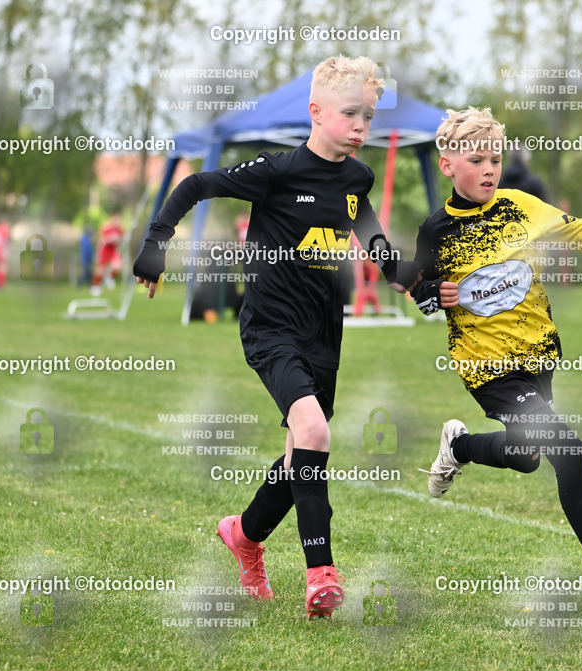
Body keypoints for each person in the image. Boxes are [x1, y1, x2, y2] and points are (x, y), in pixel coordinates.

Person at [131, 55, 419, 619]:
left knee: (300, 455)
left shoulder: (358, 178)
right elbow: (194, 184)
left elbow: (370, 237)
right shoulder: (278, 171)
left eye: (369, 116)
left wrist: (402, 273)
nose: (362, 126)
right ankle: (322, 576)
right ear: (315, 113)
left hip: (324, 333)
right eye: (351, 114)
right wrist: (155, 244)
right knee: (313, 429)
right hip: (270, 326)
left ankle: (243, 535)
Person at [411, 107, 582, 617]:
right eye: (477, 159)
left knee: (526, 455)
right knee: (567, 452)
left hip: (537, 356)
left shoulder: (521, 207)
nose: (490, 168)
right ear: (447, 164)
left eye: (496, 158)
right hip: (486, 366)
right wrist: (430, 293)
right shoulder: (436, 231)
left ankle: (460, 445)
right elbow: (418, 285)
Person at [92, 213, 124, 296]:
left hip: (113, 251)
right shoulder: (106, 228)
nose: (118, 222)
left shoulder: (120, 230)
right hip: (104, 251)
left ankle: (109, 277)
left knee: (118, 266)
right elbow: (102, 240)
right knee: (100, 270)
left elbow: (121, 240)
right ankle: (95, 286)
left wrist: (119, 241)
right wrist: (110, 239)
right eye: (116, 219)